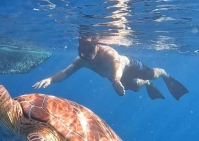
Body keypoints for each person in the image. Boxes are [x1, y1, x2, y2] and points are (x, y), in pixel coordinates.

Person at [32, 36, 189, 100]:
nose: (86, 56)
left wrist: (115, 80)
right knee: (135, 88)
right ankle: (147, 84)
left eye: (89, 51)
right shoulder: (82, 60)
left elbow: (117, 64)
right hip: (116, 79)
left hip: (129, 66)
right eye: (83, 52)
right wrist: (50, 79)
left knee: (151, 75)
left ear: (97, 45)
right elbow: (66, 72)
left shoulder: (108, 52)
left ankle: (165, 75)